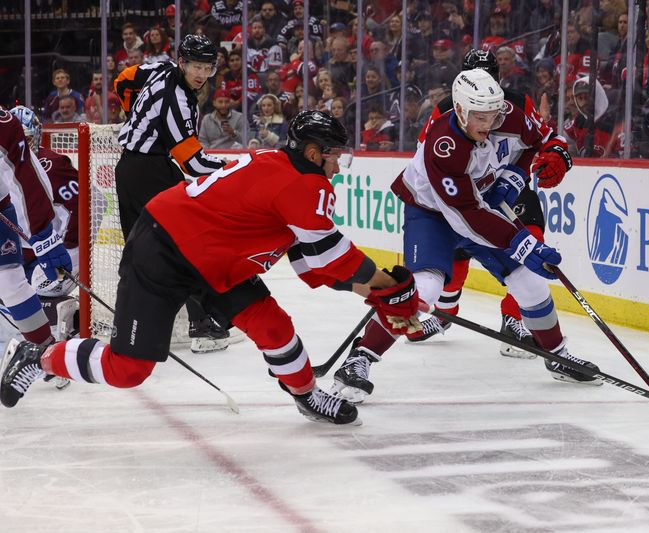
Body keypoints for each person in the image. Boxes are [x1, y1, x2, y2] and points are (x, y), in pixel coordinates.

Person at [0, 111, 421, 427]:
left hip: (215, 262)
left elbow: (311, 264)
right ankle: (37, 355)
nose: (338, 166)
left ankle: (307, 395)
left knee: (274, 327)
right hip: (163, 251)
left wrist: (378, 292)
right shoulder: (305, 184)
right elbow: (333, 258)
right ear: (313, 154)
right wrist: (389, 290)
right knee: (127, 370)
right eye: (335, 157)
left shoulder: (283, 168)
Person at [330, 69, 602, 405]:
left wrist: (529, 169)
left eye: (493, 114)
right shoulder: (444, 145)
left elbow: (542, 142)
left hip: (480, 206)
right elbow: (466, 218)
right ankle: (360, 359)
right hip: (433, 213)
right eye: (479, 116)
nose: (488, 123)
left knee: (530, 283)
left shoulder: (507, 115)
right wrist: (521, 242)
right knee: (424, 290)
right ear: (459, 110)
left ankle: (558, 356)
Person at [411, 49, 569, 360]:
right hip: (467, 191)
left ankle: (514, 320)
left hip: (507, 186)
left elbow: (543, 139)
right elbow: (428, 158)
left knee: (530, 243)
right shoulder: (446, 111)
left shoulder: (516, 103)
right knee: (455, 254)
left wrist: (553, 157)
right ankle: (444, 315)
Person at [113, 34, 230, 353]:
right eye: (195, 66)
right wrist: (227, 169)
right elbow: (192, 162)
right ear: (182, 62)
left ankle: (128, 322)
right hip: (152, 172)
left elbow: (123, 80)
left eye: (207, 67)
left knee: (139, 248)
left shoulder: (160, 67)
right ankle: (202, 324)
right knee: (187, 241)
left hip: (127, 170)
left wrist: (133, 114)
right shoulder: (176, 98)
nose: (201, 74)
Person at [8, 106, 80, 351]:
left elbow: (95, 202)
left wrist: (67, 242)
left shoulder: (52, 164)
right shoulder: (9, 165)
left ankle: (59, 314)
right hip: (36, 251)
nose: (22, 143)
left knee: (33, 286)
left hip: (60, 252)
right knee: (13, 284)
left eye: (27, 137)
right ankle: (64, 318)